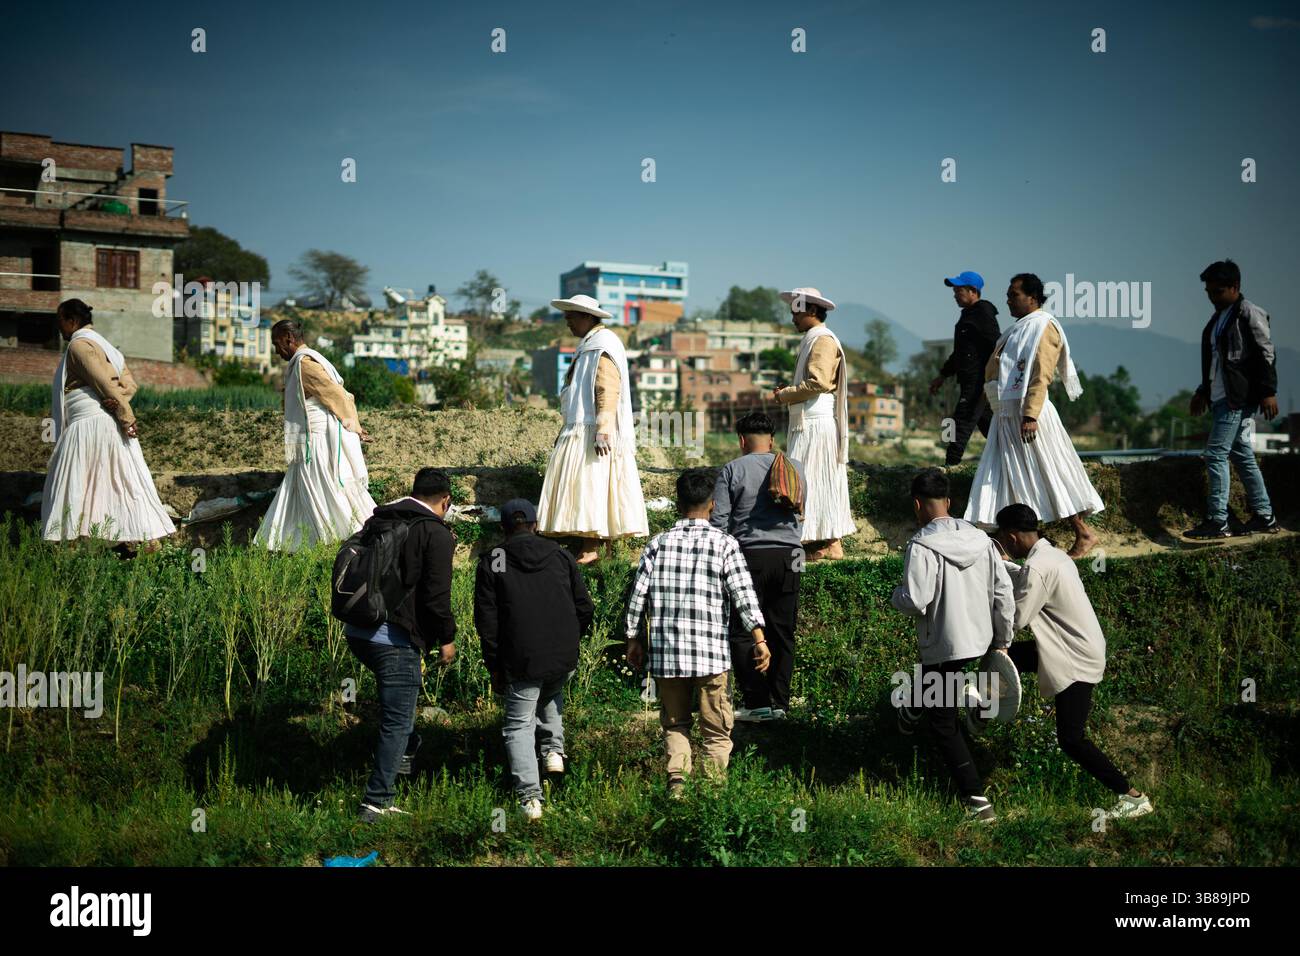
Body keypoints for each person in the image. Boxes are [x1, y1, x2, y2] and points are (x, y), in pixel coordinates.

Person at [994, 503, 1154, 821]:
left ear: (1012, 536)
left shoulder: (1038, 566)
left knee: (1071, 738)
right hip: (1073, 646)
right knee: (1005, 657)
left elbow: (1018, 619)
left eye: (1002, 538)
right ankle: (983, 706)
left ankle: (1132, 797)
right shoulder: (1052, 555)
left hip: (1073, 656)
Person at [625, 468, 770, 797]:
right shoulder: (724, 544)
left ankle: (677, 785)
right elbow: (743, 596)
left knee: (675, 723)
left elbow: (638, 596)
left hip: (667, 657)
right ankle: (712, 794)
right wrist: (759, 639)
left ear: (678, 502)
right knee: (716, 730)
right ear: (713, 504)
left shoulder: (657, 544)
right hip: (710, 658)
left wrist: (633, 639)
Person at [891, 467, 1015, 823]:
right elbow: (1003, 593)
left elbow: (916, 599)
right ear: (948, 502)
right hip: (981, 638)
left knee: (943, 723)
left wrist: (893, 596)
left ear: (917, 505)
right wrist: (1003, 641)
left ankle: (977, 802)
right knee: (935, 683)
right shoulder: (982, 539)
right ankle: (917, 709)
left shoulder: (921, 545)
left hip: (945, 642)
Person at [345, 467, 458, 823]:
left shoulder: (379, 519)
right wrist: (447, 638)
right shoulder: (435, 534)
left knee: (401, 713)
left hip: (358, 632)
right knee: (396, 721)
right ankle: (376, 804)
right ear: (446, 500)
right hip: (394, 639)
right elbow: (437, 597)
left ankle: (406, 753)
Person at [964, 273, 1103, 558]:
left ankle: (1084, 531)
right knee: (1004, 477)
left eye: (1014, 294)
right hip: (1006, 415)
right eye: (1008, 293)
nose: (1008, 299)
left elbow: (1042, 374)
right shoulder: (1017, 329)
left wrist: (1030, 415)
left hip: (1029, 416)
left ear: (1033, 297)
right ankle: (1008, 544)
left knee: (1048, 472)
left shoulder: (1044, 327)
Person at [474, 498, 594, 822]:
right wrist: (569, 640)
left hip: (521, 658)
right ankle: (553, 751)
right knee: (551, 694)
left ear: (504, 528)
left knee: (518, 725)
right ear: (535, 524)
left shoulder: (495, 559)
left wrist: (494, 665)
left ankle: (530, 798)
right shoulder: (560, 554)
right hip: (562, 655)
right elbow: (585, 607)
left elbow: (487, 621)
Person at [41, 298, 175, 547]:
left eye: (60, 321)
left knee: (80, 481)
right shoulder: (108, 348)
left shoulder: (80, 347)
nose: (59, 327)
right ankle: (129, 540)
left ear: (72, 321)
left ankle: (69, 543)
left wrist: (124, 414)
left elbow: (102, 383)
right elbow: (128, 385)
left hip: (89, 424)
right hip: (104, 420)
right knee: (113, 479)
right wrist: (114, 401)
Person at [536, 295, 648, 564]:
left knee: (592, 484)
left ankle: (591, 548)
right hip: (583, 426)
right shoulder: (590, 344)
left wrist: (603, 429)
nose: (568, 323)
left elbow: (607, 388)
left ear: (586, 316)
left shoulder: (603, 344)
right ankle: (598, 548)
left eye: (571, 317)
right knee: (591, 484)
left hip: (594, 429)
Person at [711, 412, 807, 723]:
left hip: (749, 555)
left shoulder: (731, 470)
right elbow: (802, 513)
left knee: (742, 630)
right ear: (772, 439)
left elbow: (720, 522)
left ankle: (756, 702)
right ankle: (780, 704)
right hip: (792, 555)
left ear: (741, 440)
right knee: (783, 630)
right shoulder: (795, 467)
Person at [255, 319, 376, 552]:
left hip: (316, 444)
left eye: (277, 343)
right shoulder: (301, 364)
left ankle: (342, 540)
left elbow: (337, 395)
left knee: (325, 490)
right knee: (310, 492)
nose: (276, 350)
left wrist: (355, 426)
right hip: (308, 443)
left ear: (288, 339)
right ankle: (308, 545)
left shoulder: (305, 365)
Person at [1184, 259, 1279, 539]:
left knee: (1215, 454)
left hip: (1237, 399)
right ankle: (1265, 516)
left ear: (1234, 287)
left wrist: (1268, 391)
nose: (1212, 297)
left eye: (1217, 291)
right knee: (1242, 454)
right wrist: (1203, 391)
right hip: (1220, 397)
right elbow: (1216, 361)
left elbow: (1266, 353)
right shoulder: (1218, 318)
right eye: (1209, 292)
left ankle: (1218, 521)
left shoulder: (1248, 313)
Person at [773, 287, 856, 560]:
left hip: (816, 424)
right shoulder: (813, 338)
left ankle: (829, 542)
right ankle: (828, 542)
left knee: (813, 479)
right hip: (810, 421)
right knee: (814, 480)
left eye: (796, 312)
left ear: (810, 311)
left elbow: (818, 382)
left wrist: (785, 395)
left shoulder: (822, 339)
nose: (792, 318)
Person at [929, 271, 1001, 466]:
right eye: (954, 290)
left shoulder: (983, 312)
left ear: (972, 291)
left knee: (960, 421)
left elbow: (998, 345)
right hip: (971, 381)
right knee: (990, 425)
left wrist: (995, 377)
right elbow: (960, 353)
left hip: (979, 382)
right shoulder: (967, 316)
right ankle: (1010, 458)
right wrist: (942, 376)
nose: (954, 294)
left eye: (959, 290)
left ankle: (950, 466)